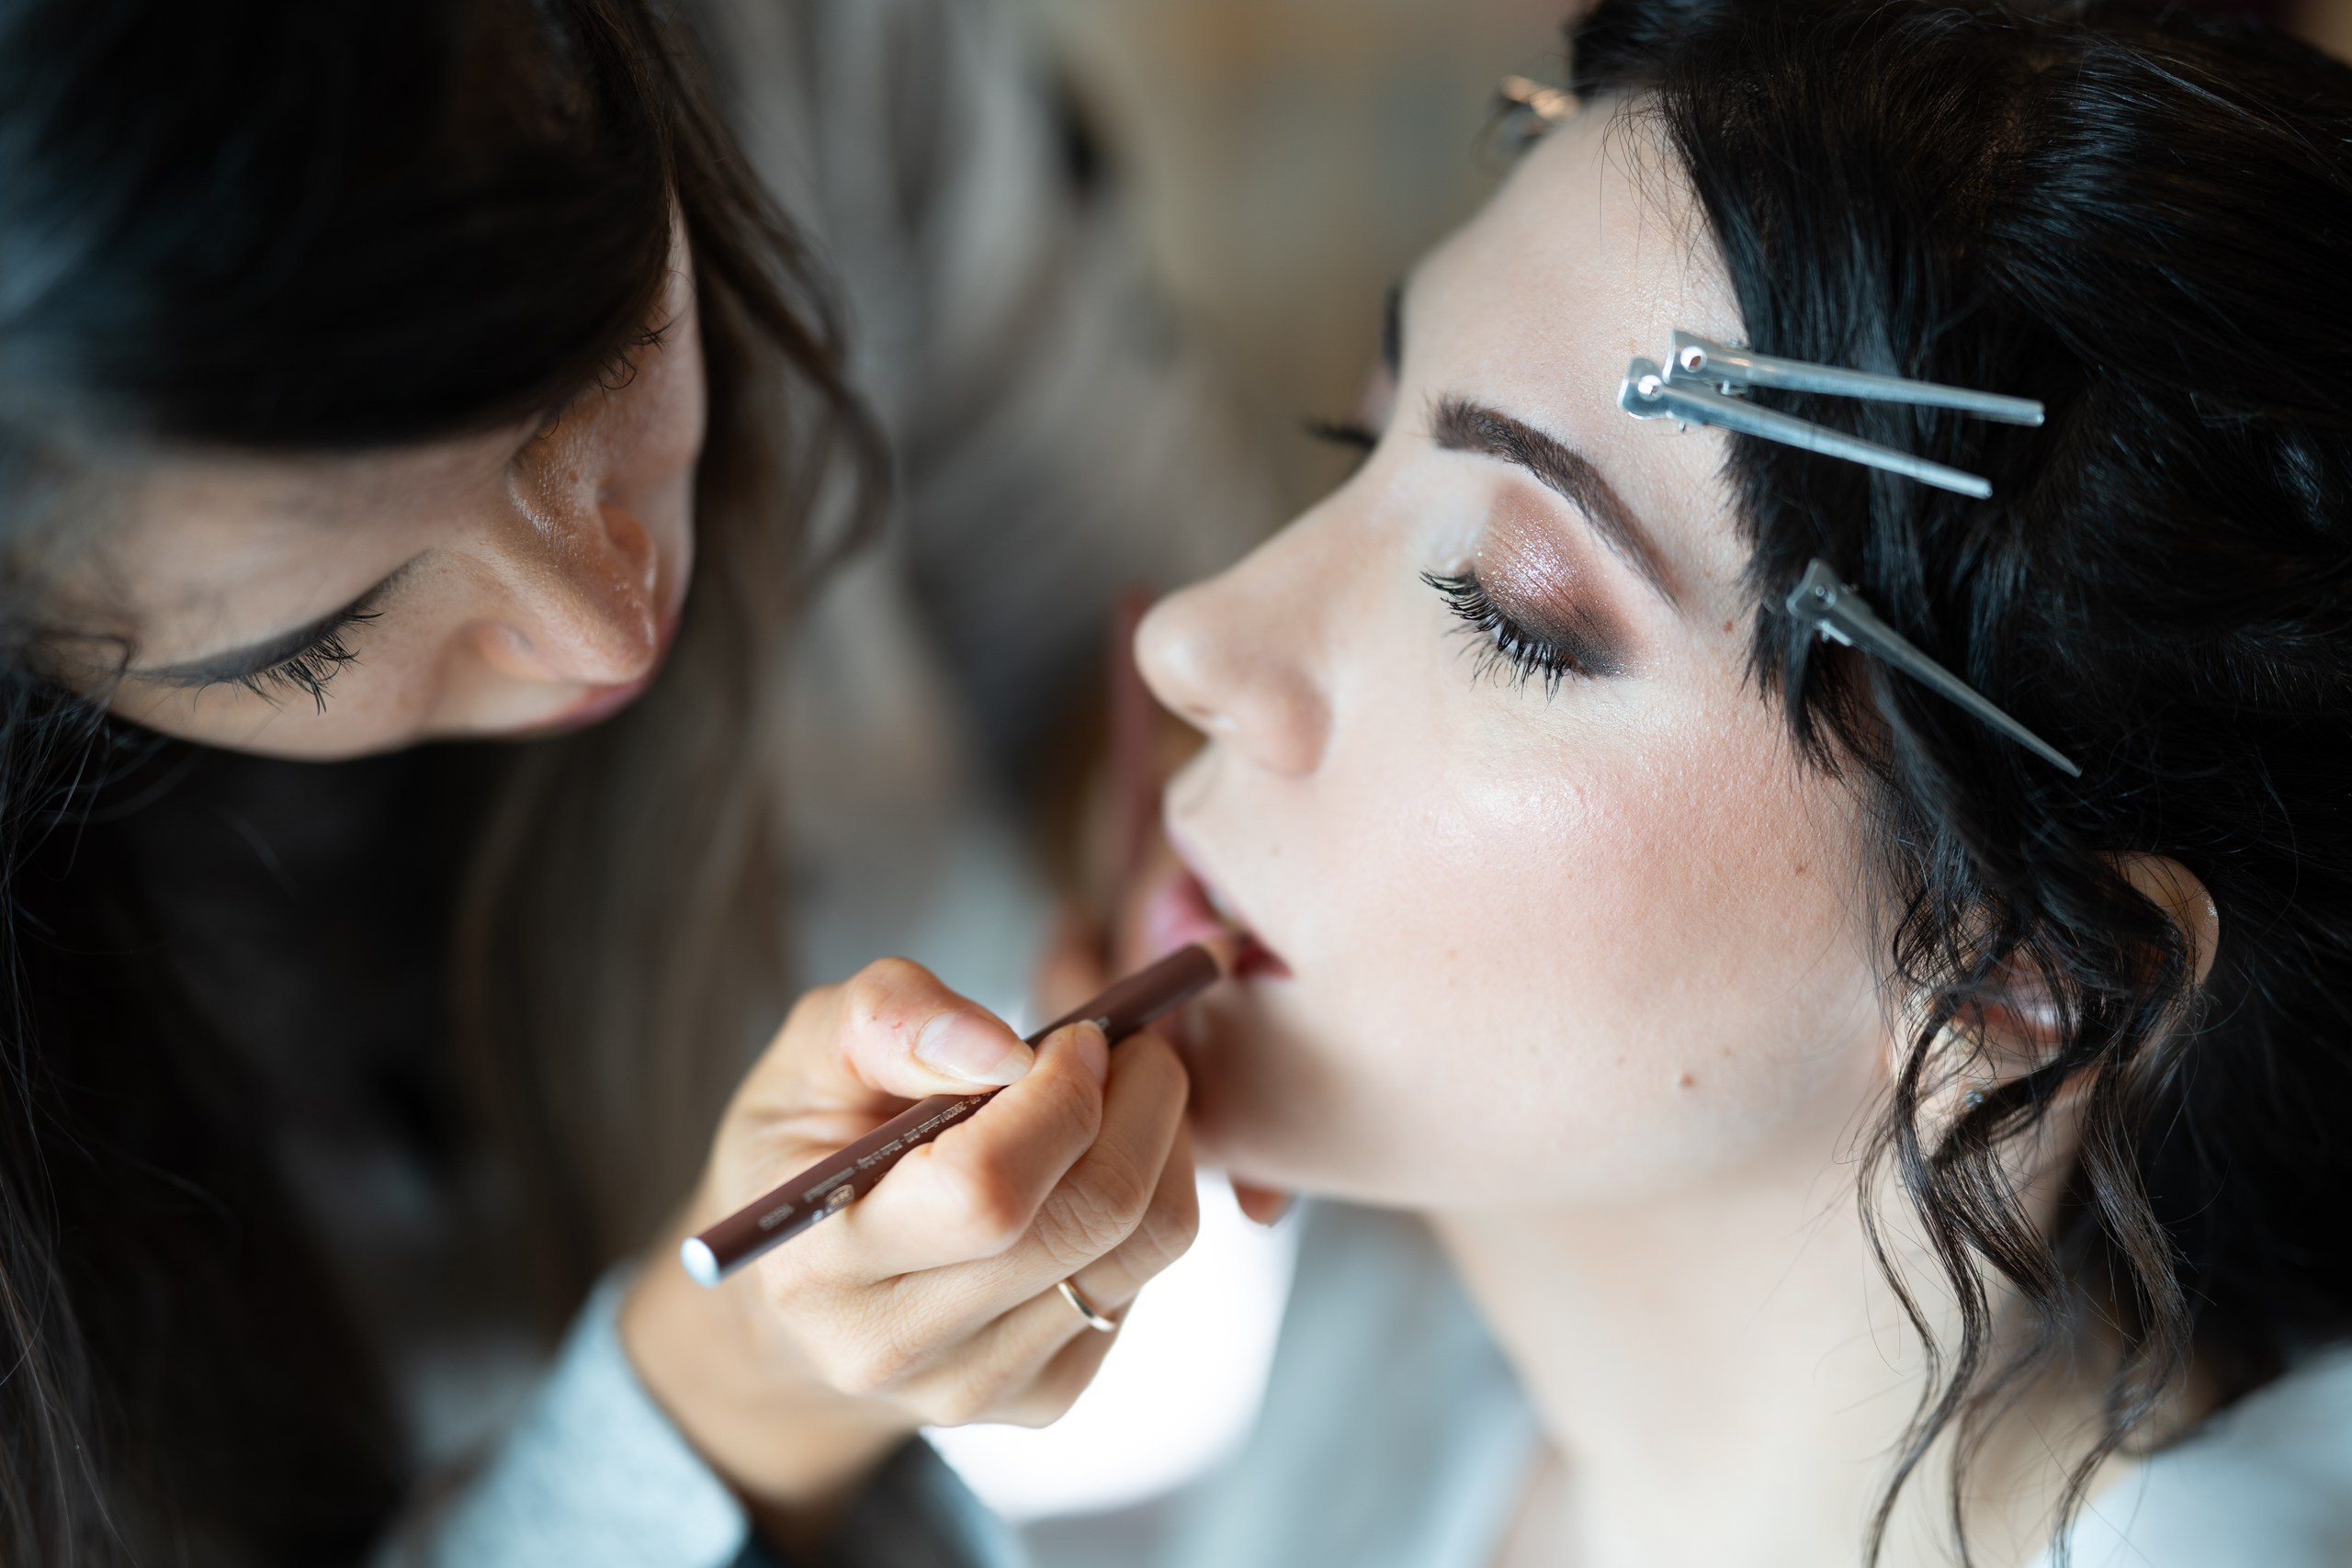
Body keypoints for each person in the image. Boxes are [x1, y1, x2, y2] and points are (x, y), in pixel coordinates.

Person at [648, 0, 2352, 1563]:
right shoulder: (1350, 1439)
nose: (1195, 643)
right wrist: (728, 1414)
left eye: (1512, 611)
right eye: (1359, 442)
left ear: (2029, 976)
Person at [0, 0, 1264, 1563]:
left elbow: (1099, 601)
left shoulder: (802, 43)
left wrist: (1165, 826)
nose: (605, 618)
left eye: (604, 360)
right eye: (321, 641)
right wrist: (731, 1403)